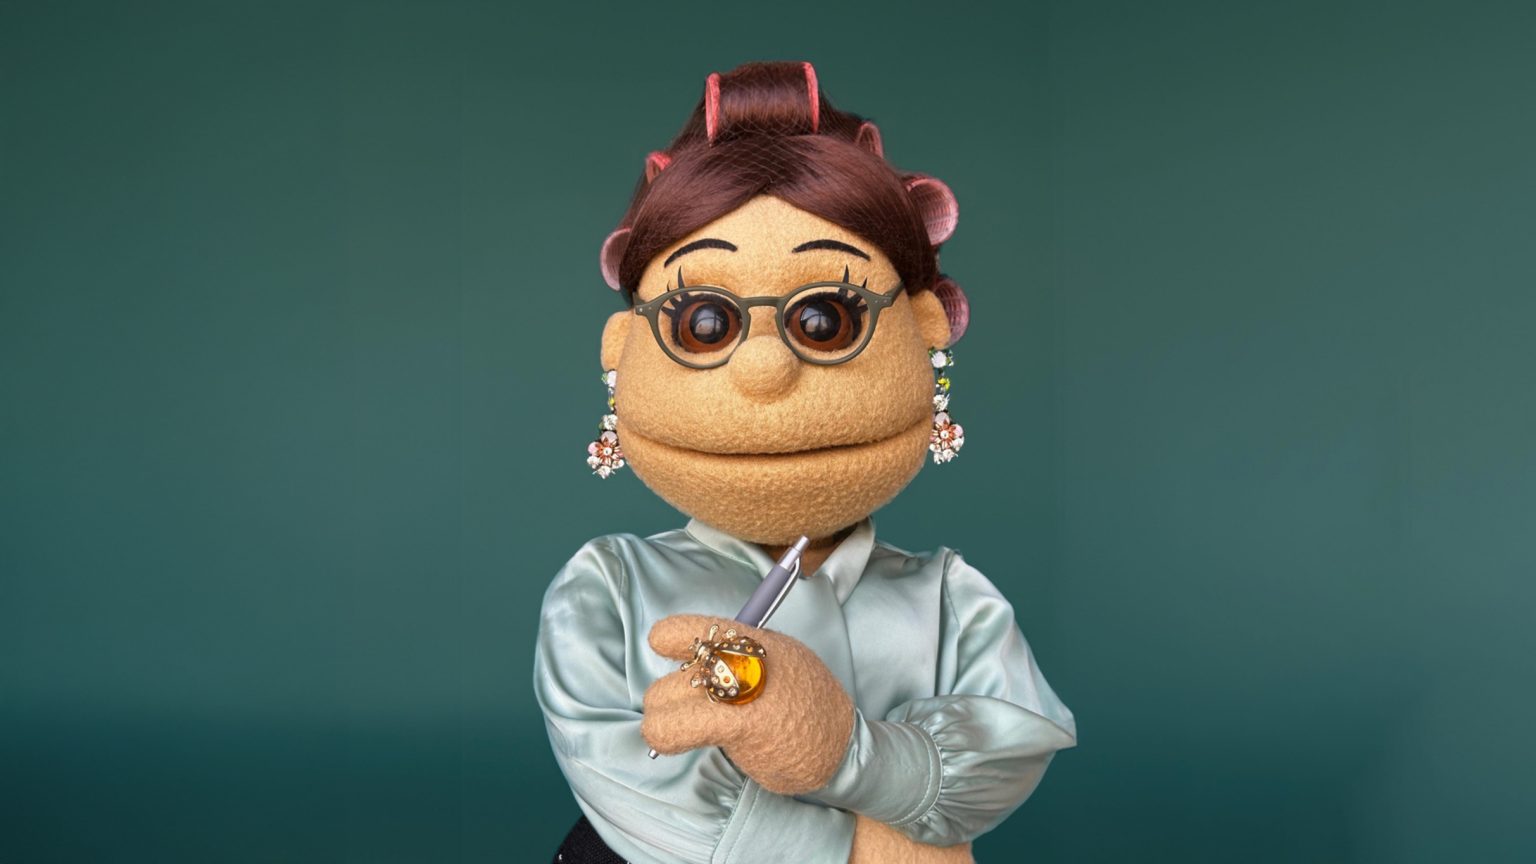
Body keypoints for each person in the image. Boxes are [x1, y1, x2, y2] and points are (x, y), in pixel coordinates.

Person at [536, 61, 1076, 864]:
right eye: (704, 322)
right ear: (622, 350)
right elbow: (622, 781)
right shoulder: (609, 587)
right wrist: (861, 851)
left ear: (925, 331)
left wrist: (848, 752)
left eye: (825, 318)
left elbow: (1007, 752)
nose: (764, 368)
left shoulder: (950, 599)